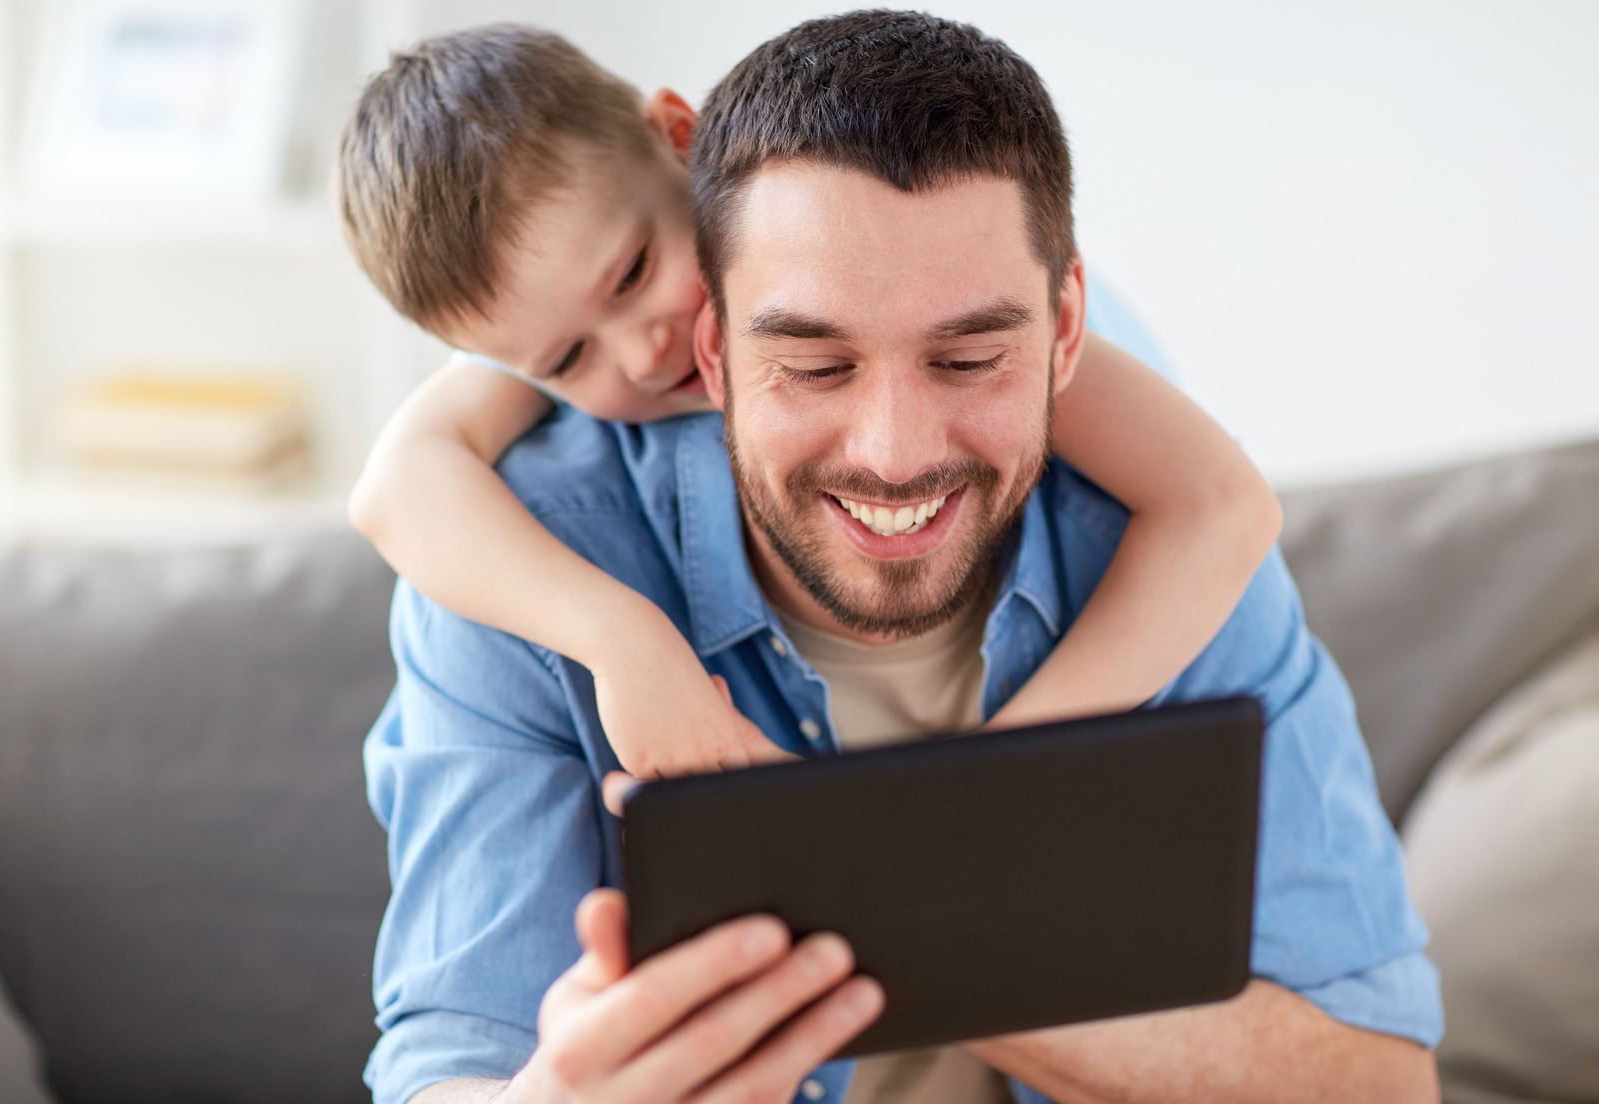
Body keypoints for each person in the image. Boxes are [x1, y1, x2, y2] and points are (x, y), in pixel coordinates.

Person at [359, 12, 1444, 1104]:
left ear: (1058, 330)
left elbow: (1221, 504)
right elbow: (448, 1058)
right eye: (814, 363)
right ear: (717, 346)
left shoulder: (1134, 513)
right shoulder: (526, 551)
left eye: (969, 358)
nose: (895, 449)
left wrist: (918, 857)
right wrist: (622, 641)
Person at [337, 25, 1282, 786]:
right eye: (568, 358)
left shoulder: (947, 311)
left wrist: (989, 784)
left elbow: (1221, 505)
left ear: (680, 136)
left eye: (633, 273)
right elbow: (398, 485)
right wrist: (624, 642)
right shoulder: (604, 320)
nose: (644, 351)